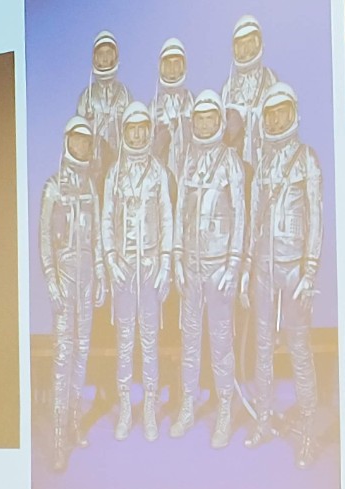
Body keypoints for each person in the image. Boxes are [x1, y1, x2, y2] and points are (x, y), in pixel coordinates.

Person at [242, 82, 322, 468]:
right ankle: (262, 419)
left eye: (282, 112)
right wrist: (246, 268)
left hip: (293, 269)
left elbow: (316, 220)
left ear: (293, 113)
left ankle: (307, 429)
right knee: (261, 348)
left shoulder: (306, 159)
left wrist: (310, 270)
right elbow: (254, 219)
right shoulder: (263, 164)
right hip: (263, 267)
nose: (276, 119)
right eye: (270, 114)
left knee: (299, 349)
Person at [170, 90, 246, 448]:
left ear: (219, 121)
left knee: (220, 344)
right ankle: (187, 405)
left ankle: (226, 411)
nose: (204, 125)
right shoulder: (187, 161)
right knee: (189, 343)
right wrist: (177, 260)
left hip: (218, 269)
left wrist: (233, 265)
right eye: (198, 120)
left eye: (210, 119)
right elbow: (179, 212)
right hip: (192, 267)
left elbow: (242, 218)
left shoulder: (230, 161)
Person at [102, 102, 173, 442]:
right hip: (124, 269)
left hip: (149, 268)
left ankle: (149, 410)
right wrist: (111, 258)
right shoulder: (114, 173)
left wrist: (166, 263)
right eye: (132, 129)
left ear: (149, 131)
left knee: (150, 342)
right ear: (124, 132)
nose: (138, 134)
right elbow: (105, 218)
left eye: (143, 128)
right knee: (125, 342)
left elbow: (168, 219)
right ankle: (126, 409)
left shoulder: (158, 173)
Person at [39, 116, 106, 471]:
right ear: (67, 142)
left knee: (82, 355)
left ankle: (76, 420)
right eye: (77, 140)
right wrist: (51, 278)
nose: (82, 147)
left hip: (85, 281)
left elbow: (94, 236)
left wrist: (99, 277)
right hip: (65, 282)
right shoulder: (54, 187)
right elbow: (45, 238)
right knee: (63, 360)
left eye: (87, 142)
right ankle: (59, 437)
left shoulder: (90, 188)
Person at [221, 14, 279, 169]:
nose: (246, 50)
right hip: (237, 159)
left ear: (260, 43)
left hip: (265, 156)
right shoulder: (228, 87)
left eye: (250, 44)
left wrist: (251, 117)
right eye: (241, 45)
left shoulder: (270, 78)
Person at [76, 31, 132, 180]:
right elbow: (78, 136)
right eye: (101, 54)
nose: (105, 58)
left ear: (115, 56)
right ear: (95, 58)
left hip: (120, 166)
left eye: (109, 53)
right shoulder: (87, 97)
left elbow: (132, 129)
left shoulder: (124, 94)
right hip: (93, 167)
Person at [151, 38, 193, 189]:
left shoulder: (193, 104)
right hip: (162, 184)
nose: (172, 70)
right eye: (168, 65)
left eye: (177, 64)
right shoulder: (152, 109)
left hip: (189, 180)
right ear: (160, 67)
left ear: (184, 67)